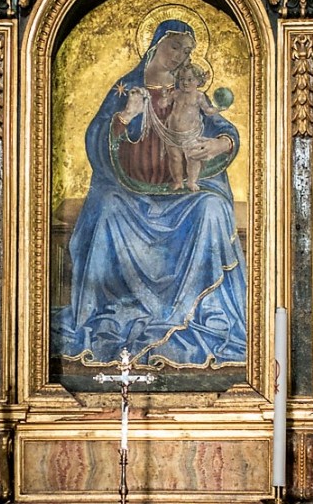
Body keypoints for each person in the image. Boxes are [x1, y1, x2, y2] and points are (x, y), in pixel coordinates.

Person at [51, 18, 246, 369]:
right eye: (175, 47)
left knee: (213, 207)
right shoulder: (127, 88)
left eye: (187, 51)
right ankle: (106, 312)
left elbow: (222, 128)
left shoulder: (191, 92)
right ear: (155, 45)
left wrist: (220, 143)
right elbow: (96, 139)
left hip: (181, 191)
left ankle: (203, 314)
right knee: (106, 207)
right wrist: (124, 118)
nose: (180, 56)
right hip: (130, 193)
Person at [158, 62, 217, 191]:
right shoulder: (175, 94)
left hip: (191, 135)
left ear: (198, 81)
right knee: (174, 158)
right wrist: (163, 98)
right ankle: (178, 181)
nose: (185, 82)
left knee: (193, 158)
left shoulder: (199, 96)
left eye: (190, 79)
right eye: (182, 79)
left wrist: (216, 109)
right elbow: (163, 104)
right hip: (173, 134)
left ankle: (191, 181)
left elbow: (207, 110)